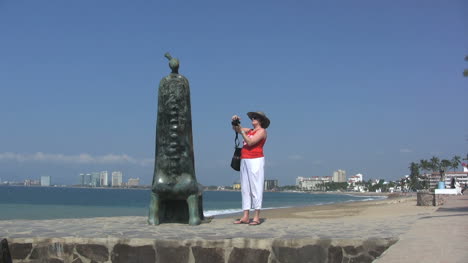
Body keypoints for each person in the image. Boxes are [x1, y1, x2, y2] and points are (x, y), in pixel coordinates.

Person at [231, 111, 270, 226]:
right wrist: (234, 121)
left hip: (255, 160)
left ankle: (256, 217)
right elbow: (237, 129)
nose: (253, 119)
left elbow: (250, 142)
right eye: (252, 117)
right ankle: (246, 216)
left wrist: (242, 131)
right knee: (245, 188)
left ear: (261, 120)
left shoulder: (262, 131)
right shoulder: (250, 131)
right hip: (245, 160)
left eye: (256, 118)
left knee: (256, 187)